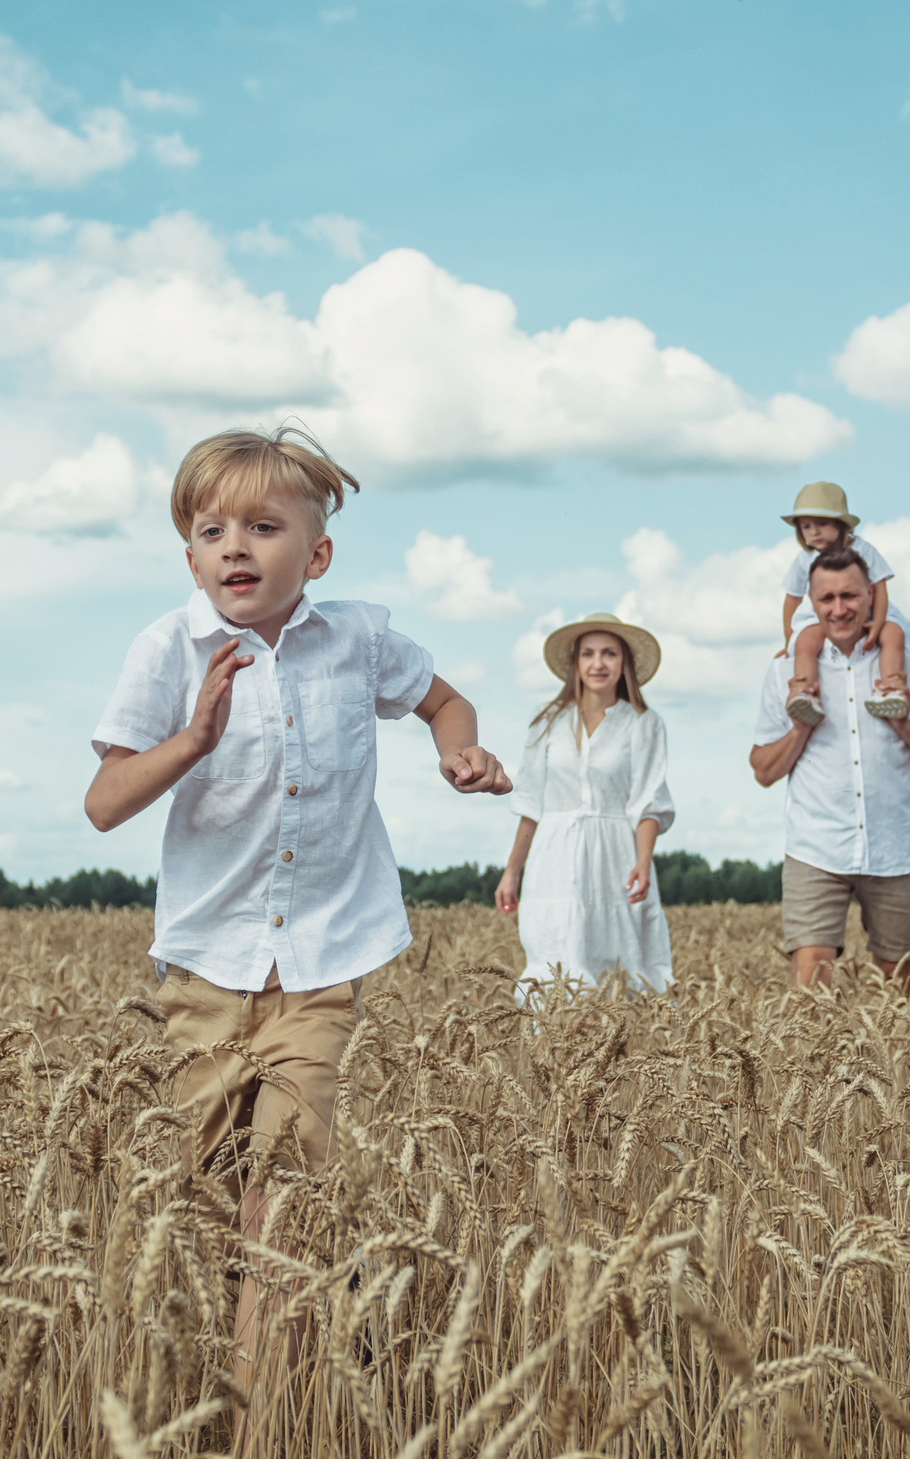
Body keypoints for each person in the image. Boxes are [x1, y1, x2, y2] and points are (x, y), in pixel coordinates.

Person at [84, 424, 510, 1445]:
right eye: (210, 529)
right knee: (206, 1204)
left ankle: (268, 1423)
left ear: (313, 555)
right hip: (202, 971)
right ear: (189, 555)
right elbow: (104, 801)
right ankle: (233, 1376)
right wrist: (192, 738)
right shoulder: (165, 650)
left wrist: (462, 751)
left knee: (278, 1211)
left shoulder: (357, 639)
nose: (235, 546)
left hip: (319, 966)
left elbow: (442, 699)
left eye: (263, 527)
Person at [751, 546, 910, 990]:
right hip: (816, 846)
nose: (839, 609)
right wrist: (799, 731)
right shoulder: (785, 675)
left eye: (849, 596)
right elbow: (762, 770)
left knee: (898, 983)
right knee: (810, 980)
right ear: (810, 604)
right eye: (826, 599)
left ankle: (898, 1061)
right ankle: (812, 1062)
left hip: (896, 847)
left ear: (872, 594)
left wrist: (902, 723)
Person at [492, 613, 676, 994]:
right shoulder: (545, 721)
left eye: (609, 653)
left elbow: (648, 803)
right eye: (588, 654)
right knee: (553, 960)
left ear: (624, 663)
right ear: (575, 663)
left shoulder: (644, 723)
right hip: (552, 856)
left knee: (623, 961)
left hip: (616, 855)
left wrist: (643, 862)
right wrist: (512, 871)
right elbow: (530, 805)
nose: (598, 664)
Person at [777, 481, 910, 724]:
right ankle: (804, 693)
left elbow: (879, 587)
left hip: (869, 610)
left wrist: (878, 623)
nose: (814, 532)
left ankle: (891, 688)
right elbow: (792, 598)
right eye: (806, 527)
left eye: (822, 524)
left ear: (841, 525)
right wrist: (789, 642)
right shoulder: (804, 558)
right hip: (820, 616)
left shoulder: (863, 549)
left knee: (894, 634)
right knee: (806, 642)